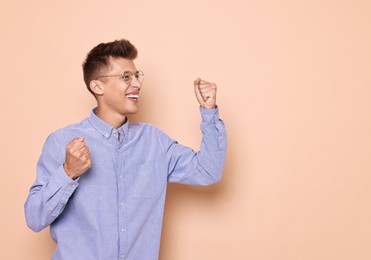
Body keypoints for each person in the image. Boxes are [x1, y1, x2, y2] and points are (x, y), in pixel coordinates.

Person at [24, 39, 227, 260]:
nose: (137, 84)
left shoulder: (154, 141)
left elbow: (208, 171)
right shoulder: (62, 142)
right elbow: (34, 218)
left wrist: (209, 113)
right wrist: (68, 172)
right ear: (97, 86)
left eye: (137, 76)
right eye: (126, 77)